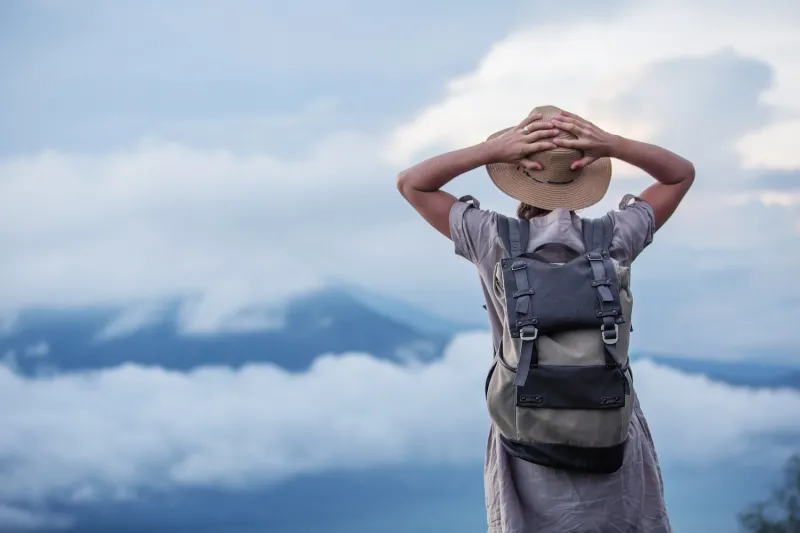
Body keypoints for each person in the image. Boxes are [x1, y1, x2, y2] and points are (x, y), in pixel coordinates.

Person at [396, 105, 695, 533]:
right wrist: (611, 143)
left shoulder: (491, 238)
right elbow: (680, 174)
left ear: (517, 175)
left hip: (525, 431)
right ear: (585, 175)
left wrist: (490, 150)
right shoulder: (615, 237)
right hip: (606, 427)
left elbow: (411, 183)